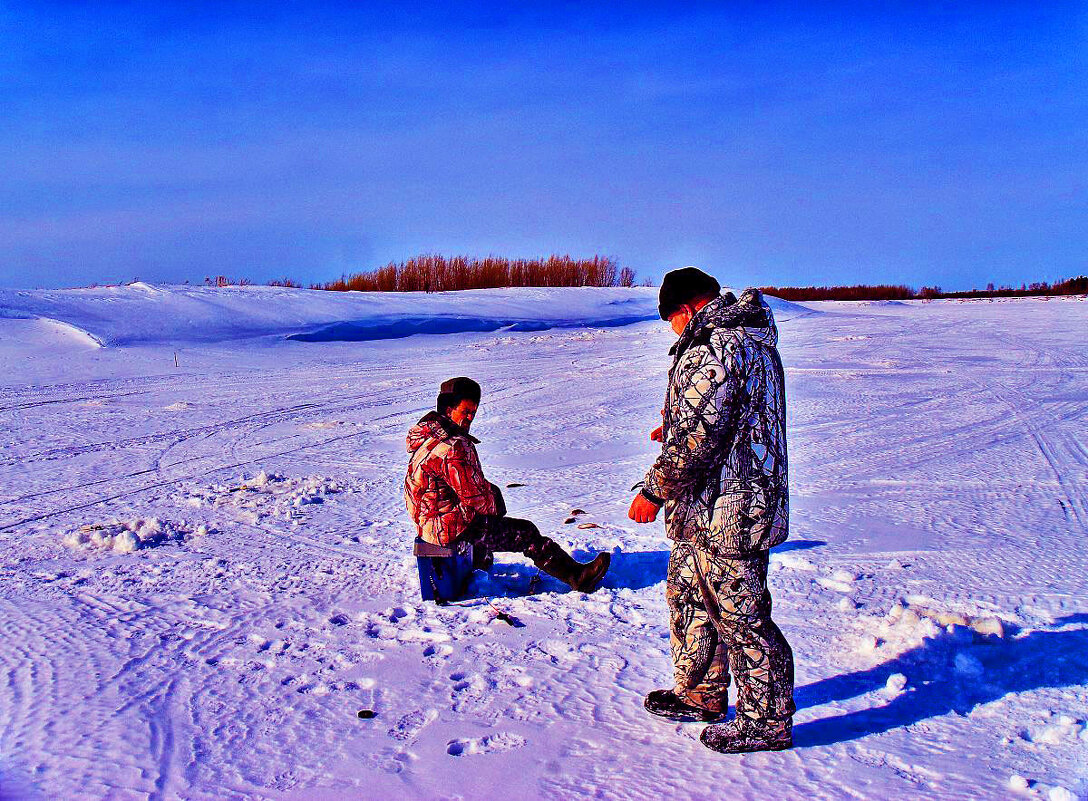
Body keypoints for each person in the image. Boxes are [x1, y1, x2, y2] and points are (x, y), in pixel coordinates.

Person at [628, 267, 795, 753]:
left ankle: (766, 721)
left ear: (685, 309)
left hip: (732, 510)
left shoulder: (715, 350)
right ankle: (701, 692)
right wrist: (677, 428)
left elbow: (700, 441)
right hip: (710, 506)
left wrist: (653, 490)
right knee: (691, 599)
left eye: (671, 321)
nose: (673, 332)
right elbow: (731, 419)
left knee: (741, 617)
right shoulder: (751, 344)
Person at [406, 377, 610, 594]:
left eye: (473, 413)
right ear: (448, 409)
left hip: (430, 523)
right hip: (449, 528)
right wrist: (495, 500)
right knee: (526, 532)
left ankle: (479, 564)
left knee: (484, 518)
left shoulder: (427, 438)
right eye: (465, 411)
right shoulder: (453, 446)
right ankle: (577, 576)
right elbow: (477, 499)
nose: (469, 418)